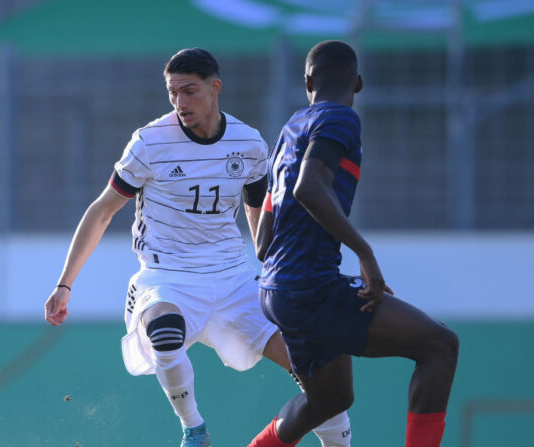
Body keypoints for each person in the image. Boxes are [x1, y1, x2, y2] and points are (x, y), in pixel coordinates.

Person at [44, 48, 352, 447]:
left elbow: (260, 219)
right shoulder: (150, 142)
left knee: (316, 373)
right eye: (173, 93)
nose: (180, 103)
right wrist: (65, 284)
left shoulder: (248, 143)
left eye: (189, 91)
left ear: (215, 88)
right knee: (164, 330)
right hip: (166, 277)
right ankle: (194, 430)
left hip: (233, 278)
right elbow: (102, 211)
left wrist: (279, 275)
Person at [248, 40, 459, 447]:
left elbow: (262, 243)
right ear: (357, 83)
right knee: (440, 346)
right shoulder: (341, 118)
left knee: (331, 399)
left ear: (307, 81)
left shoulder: (290, 129)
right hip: (308, 288)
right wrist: (366, 255)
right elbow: (310, 187)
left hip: (275, 290)